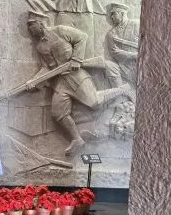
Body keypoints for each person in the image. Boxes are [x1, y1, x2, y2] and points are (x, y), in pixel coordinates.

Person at [24, 13, 130, 155]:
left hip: (76, 76)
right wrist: (34, 81)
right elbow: (46, 68)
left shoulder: (60, 31)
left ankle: (122, 89)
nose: (29, 29)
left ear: (40, 23)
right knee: (58, 113)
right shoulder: (40, 46)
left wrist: (76, 59)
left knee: (93, 101)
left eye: (31, 24)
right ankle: (77, 140)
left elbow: (82, 37)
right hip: (60, 82)